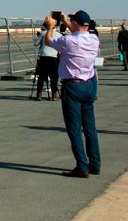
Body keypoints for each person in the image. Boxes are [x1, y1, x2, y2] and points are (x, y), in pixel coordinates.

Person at [44, 10, 101, 178]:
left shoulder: (69, 41)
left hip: (72, 86)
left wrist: (50, 26)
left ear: (75, 23)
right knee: (90, 127)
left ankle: (81, 165)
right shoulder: (93, 39)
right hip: (89, 84)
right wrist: (67, 21)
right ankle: (95, 163)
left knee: (74, 128)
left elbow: (49, 41)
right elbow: (78, 33)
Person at [33, 23, 62, 101]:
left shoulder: (43, 33)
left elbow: (36, 43)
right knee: (54, 76)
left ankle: (39, 94)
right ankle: (54, 94)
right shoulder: (59, 35)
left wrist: (36, 37)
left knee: (41, 76)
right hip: (54, 57)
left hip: (44, 56)